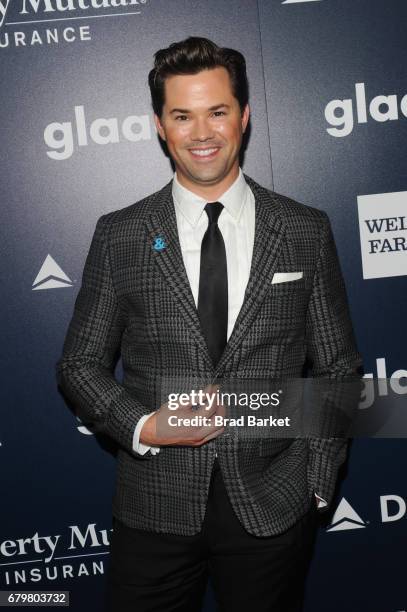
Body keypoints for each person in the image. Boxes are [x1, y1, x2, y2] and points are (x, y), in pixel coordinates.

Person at [56, 36, 363, 612]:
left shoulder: (304, 229)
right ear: (160, 126)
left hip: (274, 504)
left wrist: (317, 481)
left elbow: (338, 367)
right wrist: (146, 426)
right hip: (155, 507)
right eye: (183, 115)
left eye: (217, 111)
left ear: (243, 117)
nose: (202, 133)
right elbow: (78, 364)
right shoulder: (119, 233)